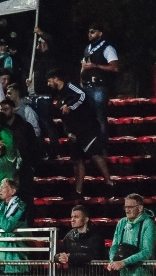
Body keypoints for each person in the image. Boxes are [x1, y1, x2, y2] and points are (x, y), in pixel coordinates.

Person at [47, 69, 112, 197]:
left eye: (49, 81)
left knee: (95, 155)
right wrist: (68, 132)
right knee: (77, 161)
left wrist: (70, 106)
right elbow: (64, 118)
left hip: (88, 127)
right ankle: (78, 191)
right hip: (74, 131)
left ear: (56, 79)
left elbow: (82, 95)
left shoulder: (70, 87)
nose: (48, 84)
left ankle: (109, 184)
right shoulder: (59, 96)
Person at [80, 22, 118, 132]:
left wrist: (95, 66)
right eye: (89, 32)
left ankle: (103, 144)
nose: (89, 34)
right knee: (88, 117)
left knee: (100, 116)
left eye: (93, 32)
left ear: (100, 33)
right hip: (87, 86)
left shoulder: (108, 48)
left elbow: (115, 68)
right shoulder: (88, 48)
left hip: (99, 86)